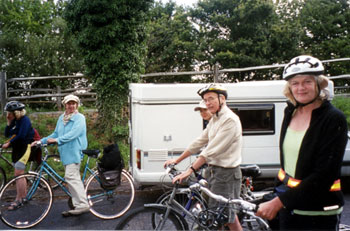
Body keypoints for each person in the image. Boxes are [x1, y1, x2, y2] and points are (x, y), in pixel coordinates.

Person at [256, 55, 348, 230]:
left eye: (307, 82)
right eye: (295, 83)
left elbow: (324, 175)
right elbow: (287, 167)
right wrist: (275, 196)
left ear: (318, 84)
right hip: (289, 206)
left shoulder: (333, 119)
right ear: (289, 87)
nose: (301, 88)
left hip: (317, 212)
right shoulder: (290, 112)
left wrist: (278, 202)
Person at [164, 83, 243, 231]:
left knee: (227, 219)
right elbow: (199, 142)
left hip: (226, 175)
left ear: (222, 99)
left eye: (211, 99)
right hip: (212, 173)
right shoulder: (215, 119)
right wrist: (177, 160)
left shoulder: (230, 120)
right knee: (212, 216)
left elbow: (210, 151)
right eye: (205, 100)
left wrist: (189, 171)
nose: (207, 103)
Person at [32, 94, 89, 216]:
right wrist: (40, 141)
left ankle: (82, 205)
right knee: (71, 178)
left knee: (71, 177)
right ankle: (77, 203)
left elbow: (74, 134)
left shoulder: (80, 118)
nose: (71, 106)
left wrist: (57, 140)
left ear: (77, 105)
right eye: (69, 103)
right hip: (65, 153)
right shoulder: (61, 118)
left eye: (74, 103)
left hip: (75, 152)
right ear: (65, 105)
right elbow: (55, 133)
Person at [3, 101, 35, 210]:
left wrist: (10, 143)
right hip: (17, 149)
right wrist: (9, 122)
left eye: (10, 113)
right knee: (19, 175)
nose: (8, 114)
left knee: (18, 174)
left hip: (25, 147)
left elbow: (21, 135)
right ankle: (23, 197)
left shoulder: (25, 120)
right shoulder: (16, 121)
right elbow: (7, 134)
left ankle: (18, 199)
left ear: (16, 112)